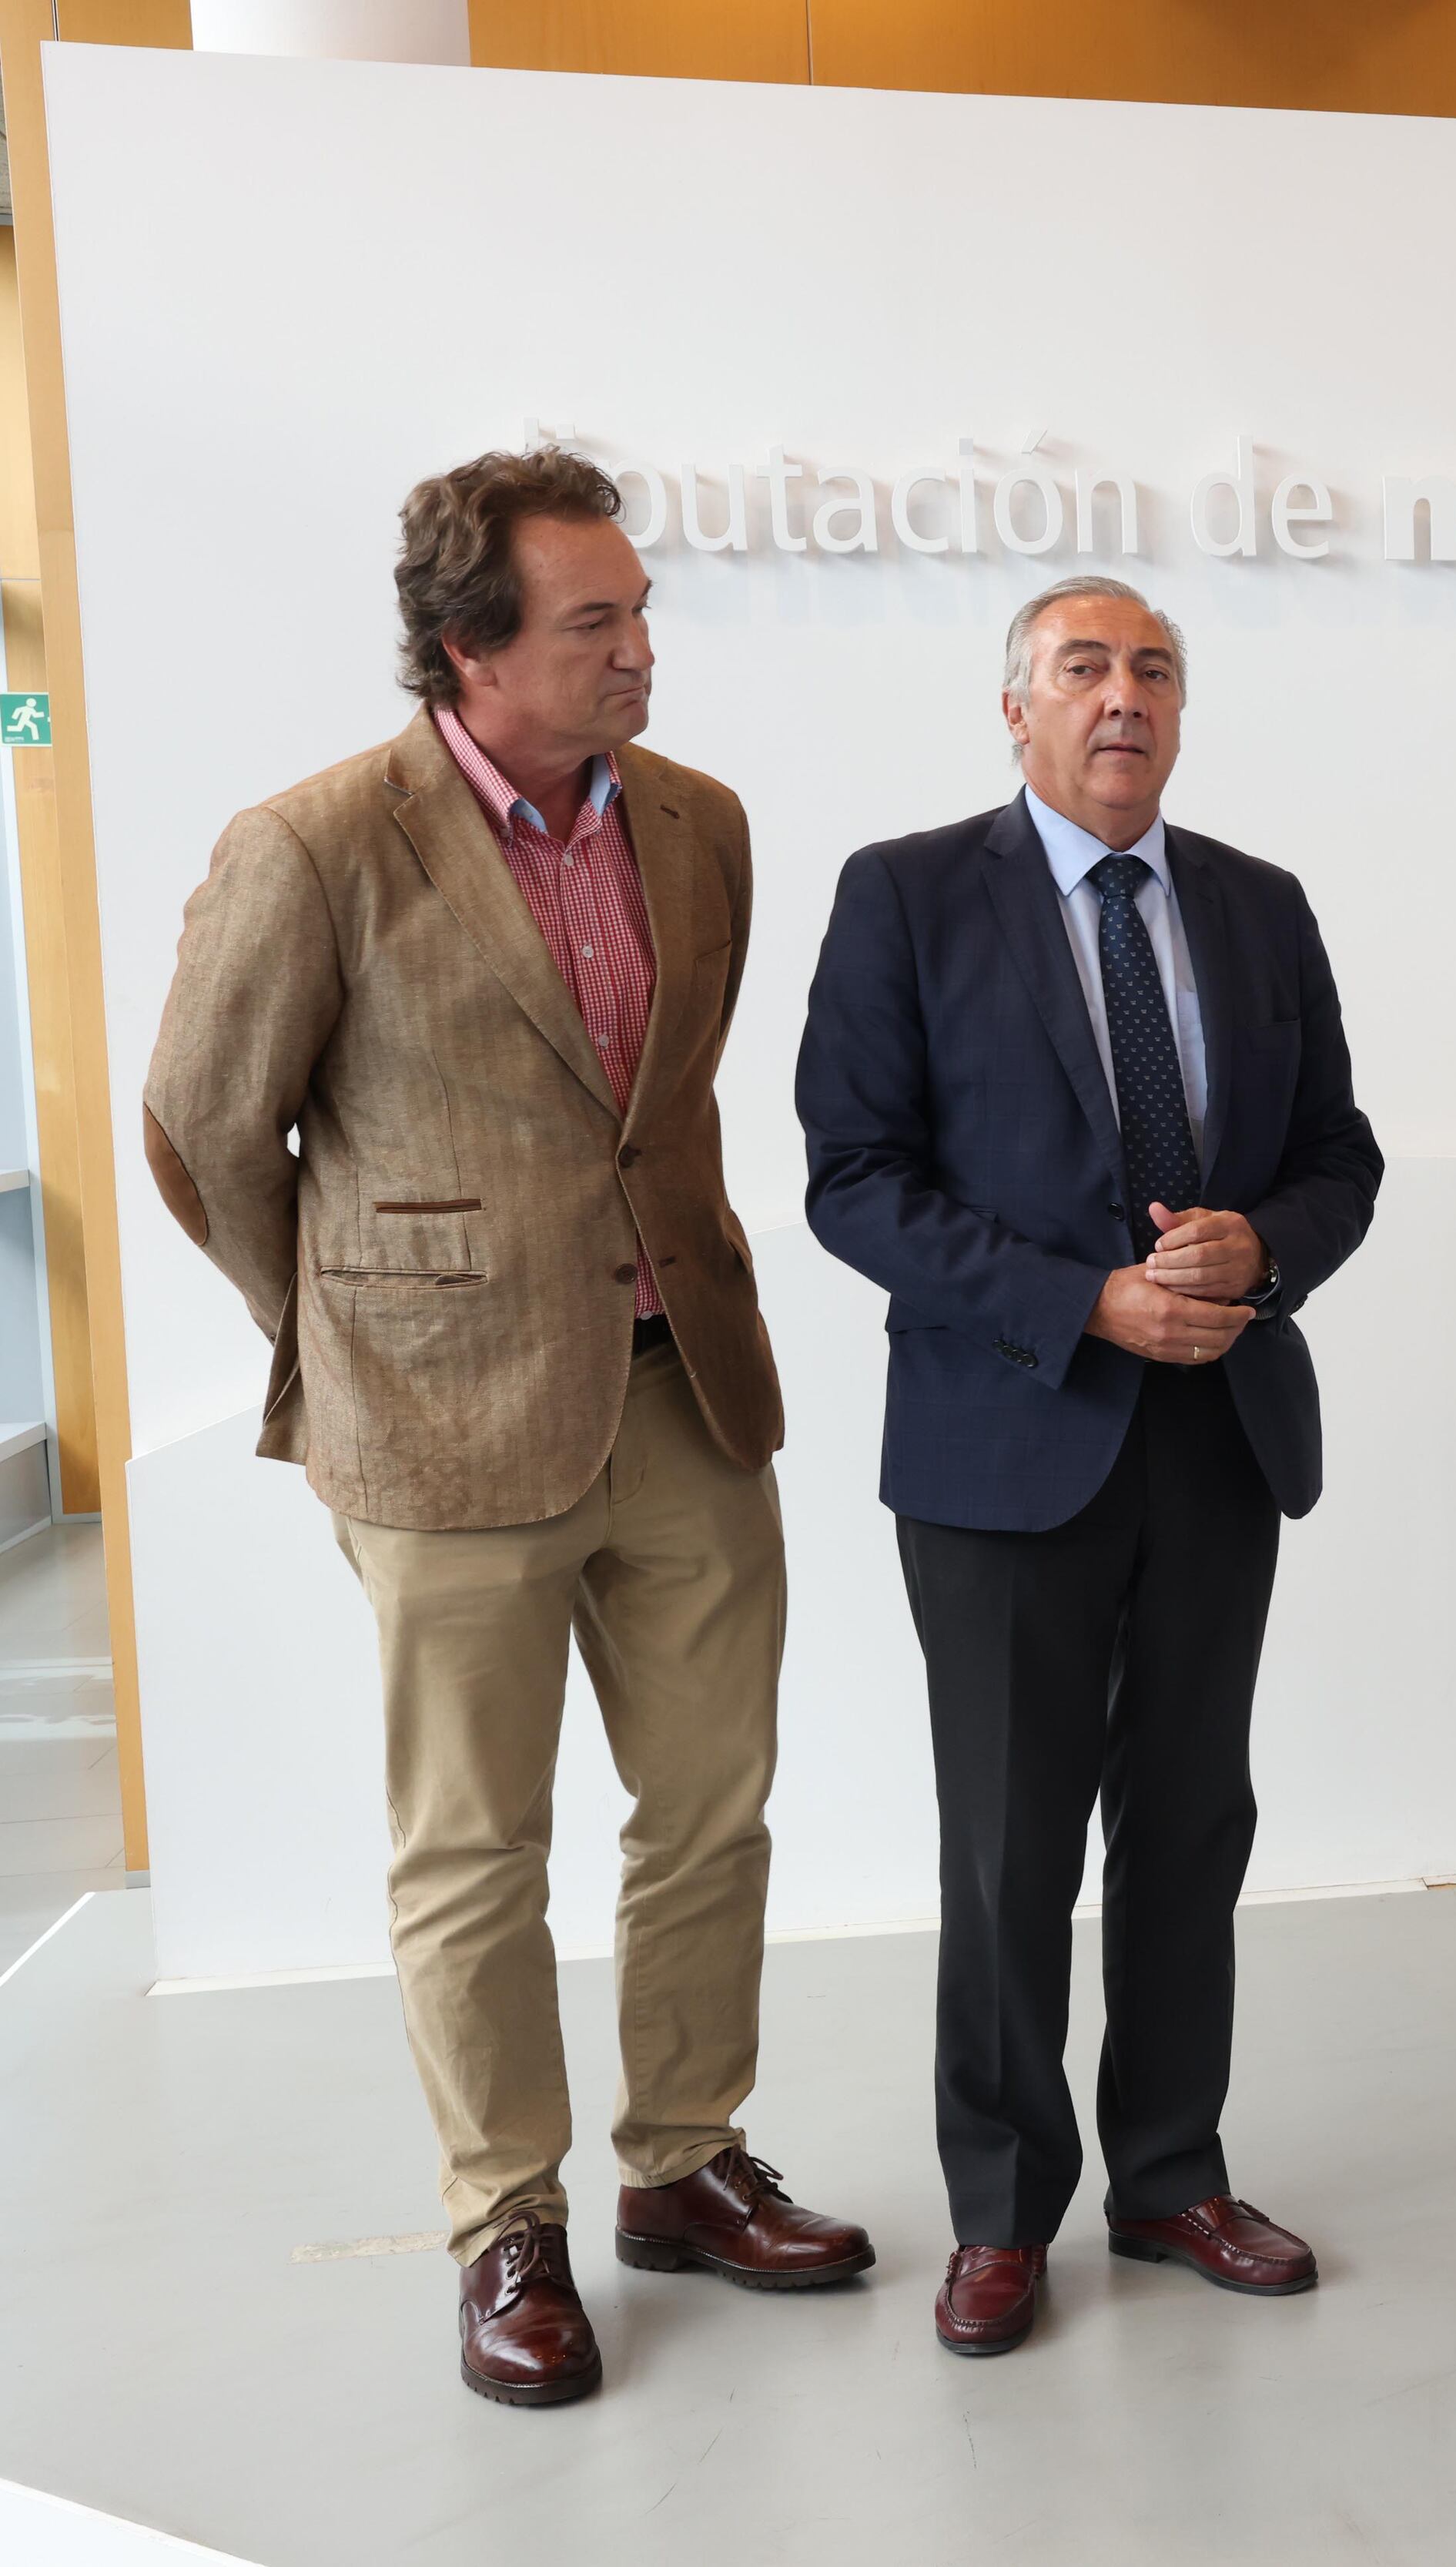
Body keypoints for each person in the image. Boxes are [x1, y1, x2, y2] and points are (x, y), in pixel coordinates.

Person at [141, 448, 867, 2409]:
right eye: (595, 620)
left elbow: (669, 1102)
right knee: (474, 1848)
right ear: (470, 650)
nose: (643, 647)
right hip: (440, 1428)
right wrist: (352, 1332)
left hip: (685, 1392)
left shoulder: (702, 824)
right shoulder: (315, 844)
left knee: (712, 1808)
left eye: (640, 609)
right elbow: (204, 1134)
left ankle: (685, 2160)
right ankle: (504, 2222)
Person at [795, 575, 1384, 2355]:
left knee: (1192, 1821)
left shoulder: (1260, 907)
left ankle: (1169, 2171)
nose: (1122, 696)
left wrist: (1254, 1254)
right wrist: (1085, 1301)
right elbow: (855, 1177)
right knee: (1008, 1842)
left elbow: (1341, 1157)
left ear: (1181, 713)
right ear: (1016, 706)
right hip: (1003, 1444)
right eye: (1083, 667)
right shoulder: (905, 894)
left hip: (1218, 1430)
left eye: (1154, 670)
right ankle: (1000, 2209)